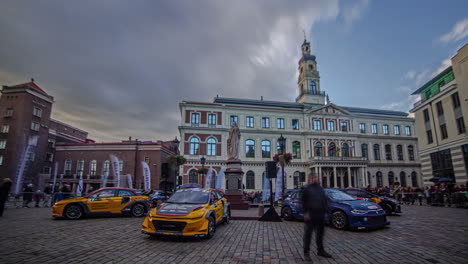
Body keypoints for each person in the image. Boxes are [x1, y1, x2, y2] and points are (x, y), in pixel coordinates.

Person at [302, 174, 332, 261]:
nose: (316, 179)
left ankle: (320, 250)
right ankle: (306, 252)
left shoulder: (320, 188)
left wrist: (326, 209)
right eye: (314, 177)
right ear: (310, 179)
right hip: (310, 215)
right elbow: (303, 201)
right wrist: (305, 212)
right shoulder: (306, 188)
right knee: (308, 235)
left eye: (317, 177)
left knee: (320, 235)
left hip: (320, 215)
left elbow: (324, 199)